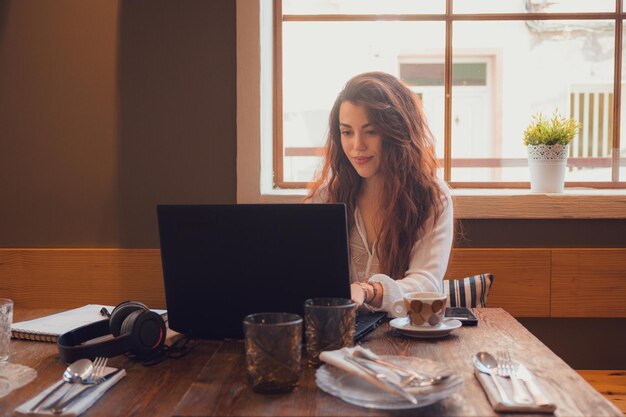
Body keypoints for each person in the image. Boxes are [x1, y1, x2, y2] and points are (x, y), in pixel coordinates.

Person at [305, 72, 453, 314]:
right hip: (339, 338)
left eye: (370, 131)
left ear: (397, 132)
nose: (357, 146)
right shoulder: (325, 198)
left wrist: (369, 290)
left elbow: (426, 284)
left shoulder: (433, 197)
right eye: (347, 132)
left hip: (404, 338)